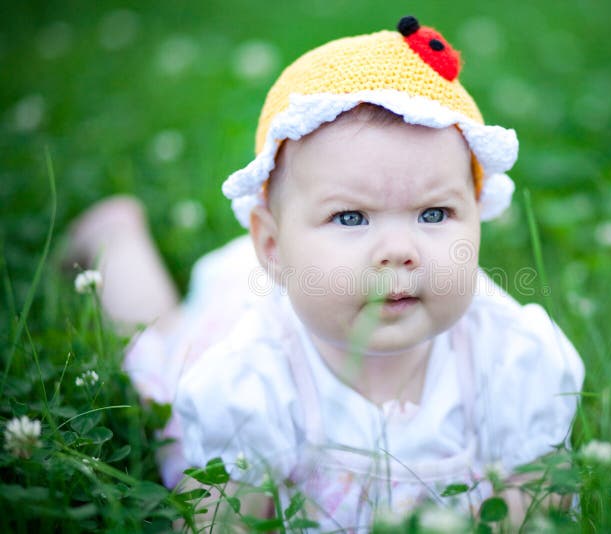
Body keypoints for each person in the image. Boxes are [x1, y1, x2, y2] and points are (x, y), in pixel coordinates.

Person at [69, 16, 584, 530]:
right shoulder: (250, 382)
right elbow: (217, 522)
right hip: (239, 314)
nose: (399, 251)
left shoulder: (510, 357)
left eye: (433, 214)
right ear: (272, 245)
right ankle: (114, 239)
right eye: (351, 218)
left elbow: (544, 493)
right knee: (156, 346)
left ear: (476, 213)